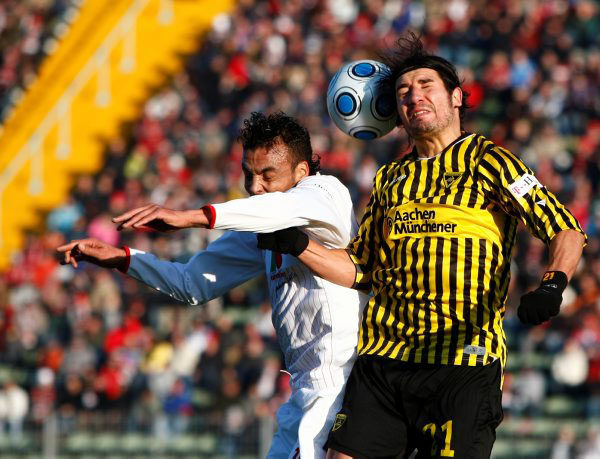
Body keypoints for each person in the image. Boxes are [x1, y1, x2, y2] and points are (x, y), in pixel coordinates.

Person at [257, 33, 586, 458]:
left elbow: (563, 227)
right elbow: (361, 269)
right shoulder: (390, 179)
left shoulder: (490, 162)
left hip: (462, 363)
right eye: (403, 92)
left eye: (426, 85)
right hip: (384, 361)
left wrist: (552, 285)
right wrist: (297, 244)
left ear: (457, 98)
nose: (414, 96)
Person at [58, 112, 367, 459]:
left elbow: (280, 208)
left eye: (267, 175)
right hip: (303, 394)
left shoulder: (325, 193)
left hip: (343, 386)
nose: (254, 187)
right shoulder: (263, 227)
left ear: (302, 171)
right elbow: (193, 283)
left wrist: (188, 217)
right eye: (248, 174)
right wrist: (122, 259)